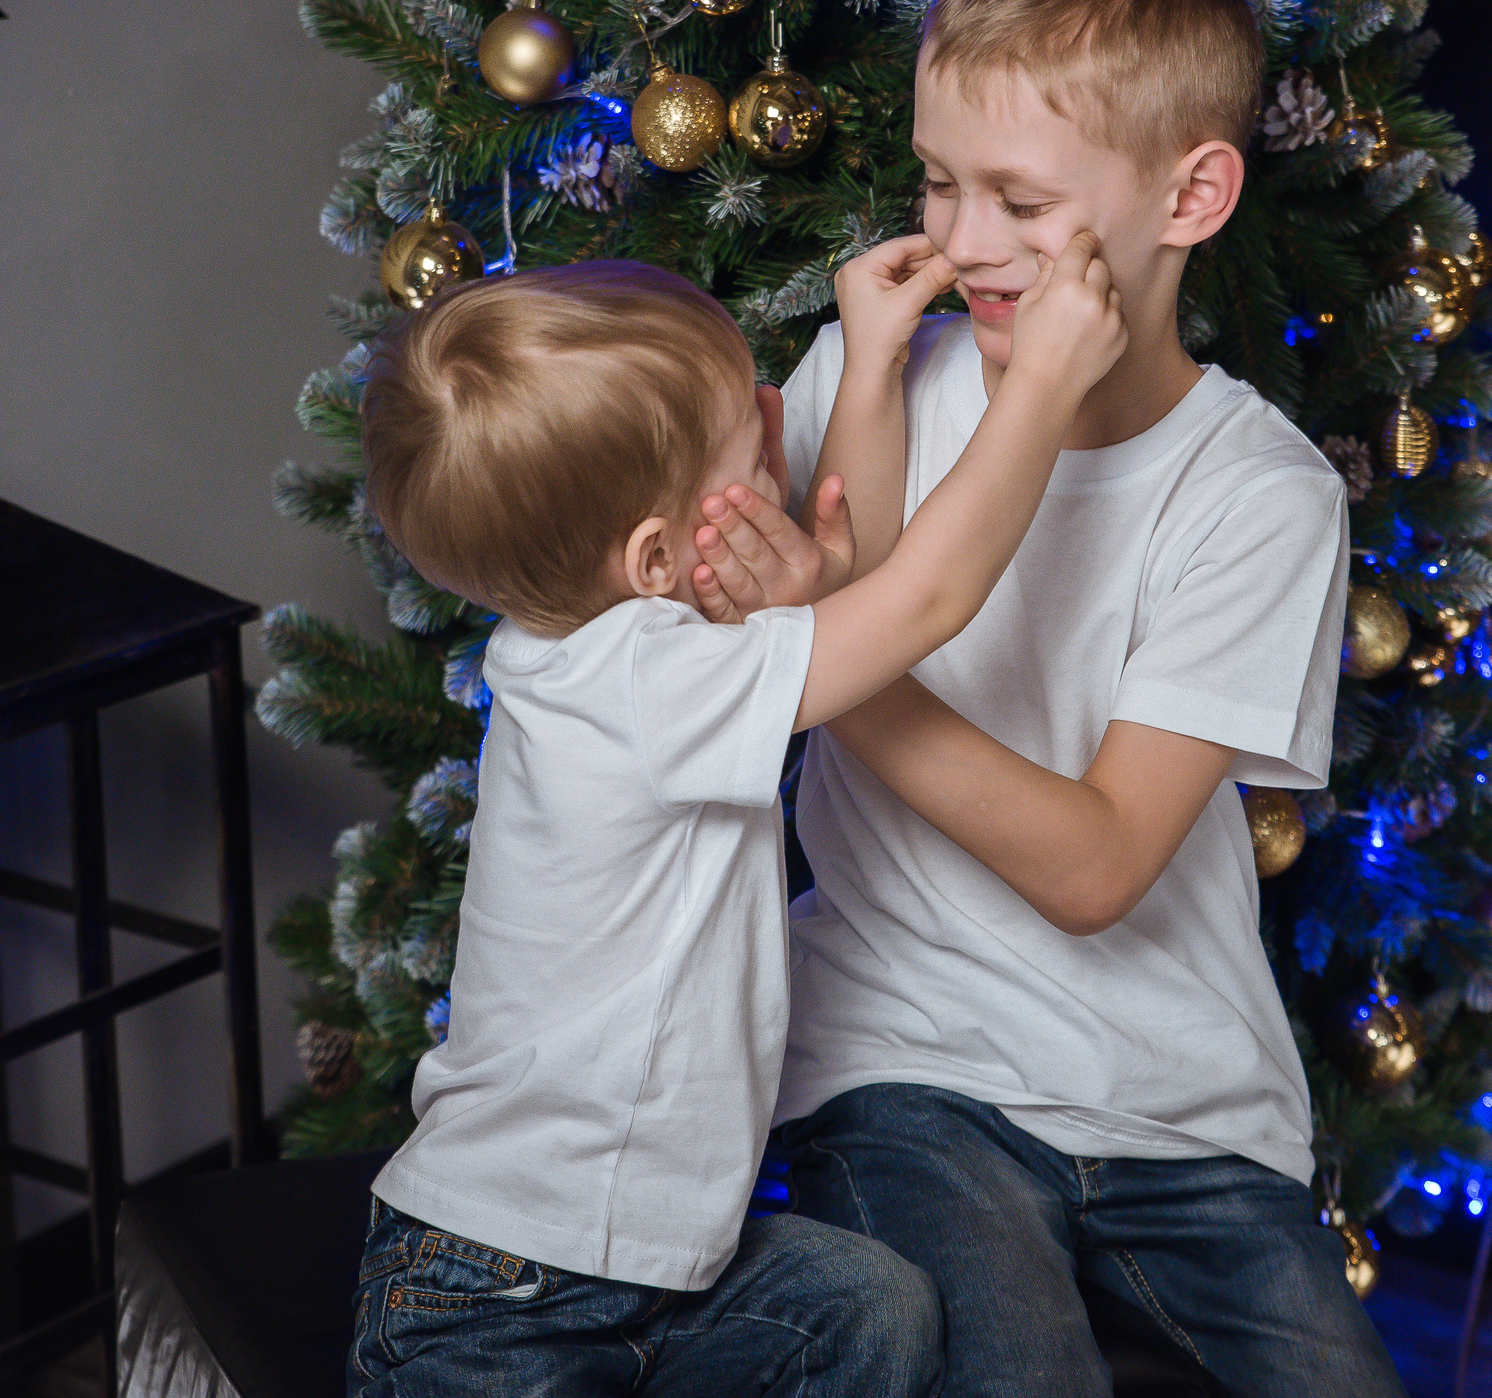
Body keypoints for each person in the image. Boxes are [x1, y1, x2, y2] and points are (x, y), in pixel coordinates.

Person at [687, 0, 1410, 1395]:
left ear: (1191, 194)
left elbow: (1095, 867)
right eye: (939, 182)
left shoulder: (1259, 494)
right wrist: (797, 605)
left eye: (1018, 199)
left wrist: (814, 655)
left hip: (1188, 1107)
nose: (961, 242)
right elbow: (748, 628)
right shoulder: (875, 371)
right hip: (905, 1063)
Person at [345, 248, 1128, 1397]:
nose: (776, 411)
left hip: (650, 1277)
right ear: (655, 559)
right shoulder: (644, 679)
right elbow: (921, 598)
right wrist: (1045, 388)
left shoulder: (602, 643)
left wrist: (871, 366)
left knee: (872, 1304)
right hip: (499, 1292)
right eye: (749, 442)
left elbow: (843, 585)